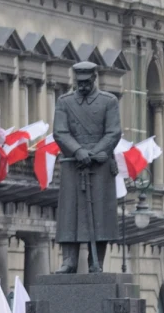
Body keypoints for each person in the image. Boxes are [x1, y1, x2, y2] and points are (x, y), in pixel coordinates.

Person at [52, 61, 123, 274]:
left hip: (99, 165)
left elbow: (113, 132)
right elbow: (60, 132)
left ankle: (96, 262)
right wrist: (77, 151)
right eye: (78, 82)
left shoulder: (108, 101)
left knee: (100, 215)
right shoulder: (64, 102)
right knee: (69, 213)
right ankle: (69, 260)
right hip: (73, 164)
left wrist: (93, 153)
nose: (82, 86)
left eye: (86, 82)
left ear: (94, 79)